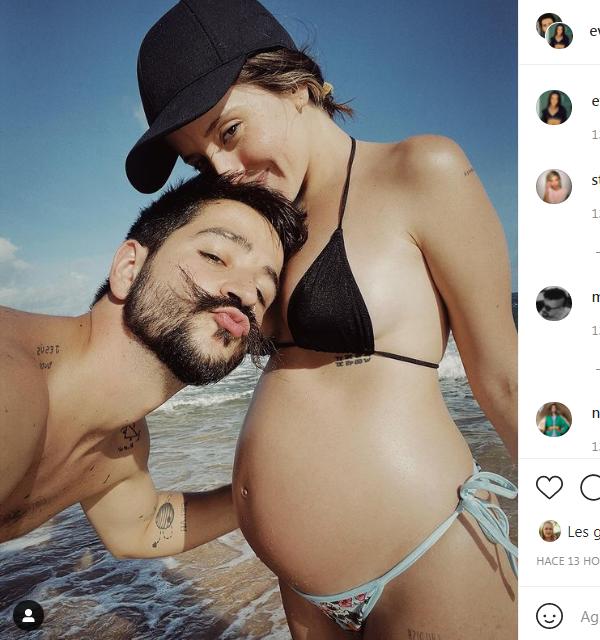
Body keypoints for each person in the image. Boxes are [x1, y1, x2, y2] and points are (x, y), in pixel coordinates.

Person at [127, 1, 517, 637]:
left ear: (296, 84)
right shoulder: (262, 237)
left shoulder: (421, 171)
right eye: (199, 162)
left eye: (229, 131)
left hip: (426, 563)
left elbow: (504, 379)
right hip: (304, 594)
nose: (222, 171)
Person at [0, 174, 306, 560]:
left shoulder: (122, 443)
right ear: (129, 268)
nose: (246, 293)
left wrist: (262, 492)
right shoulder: (12, 383)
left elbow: (140, 530)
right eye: (215, 257)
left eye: (263, 292)